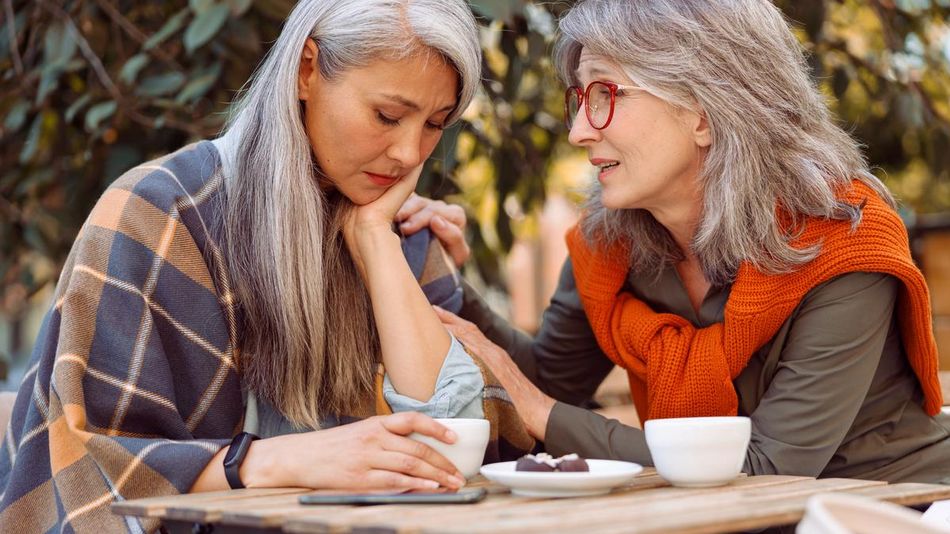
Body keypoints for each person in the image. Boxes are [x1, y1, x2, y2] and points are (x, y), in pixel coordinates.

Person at [0, 1, 533, 531]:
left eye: (435, 125)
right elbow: (93, 457)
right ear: (306, 71)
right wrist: (274, 461)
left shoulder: (400, 233)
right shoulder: (162, 212)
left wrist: (375, 242)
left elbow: (454, 444)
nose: (409, 153)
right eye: (387, 116)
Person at [409, 0, 950, 484]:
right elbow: (549, 380)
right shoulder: (609, 241)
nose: (578, 131)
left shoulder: (843, 239)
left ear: (702, 113)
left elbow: (768, 468)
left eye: (605, 93)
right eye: (580, 97)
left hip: (890, 509)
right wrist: (441, 275)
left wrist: (541, 409)